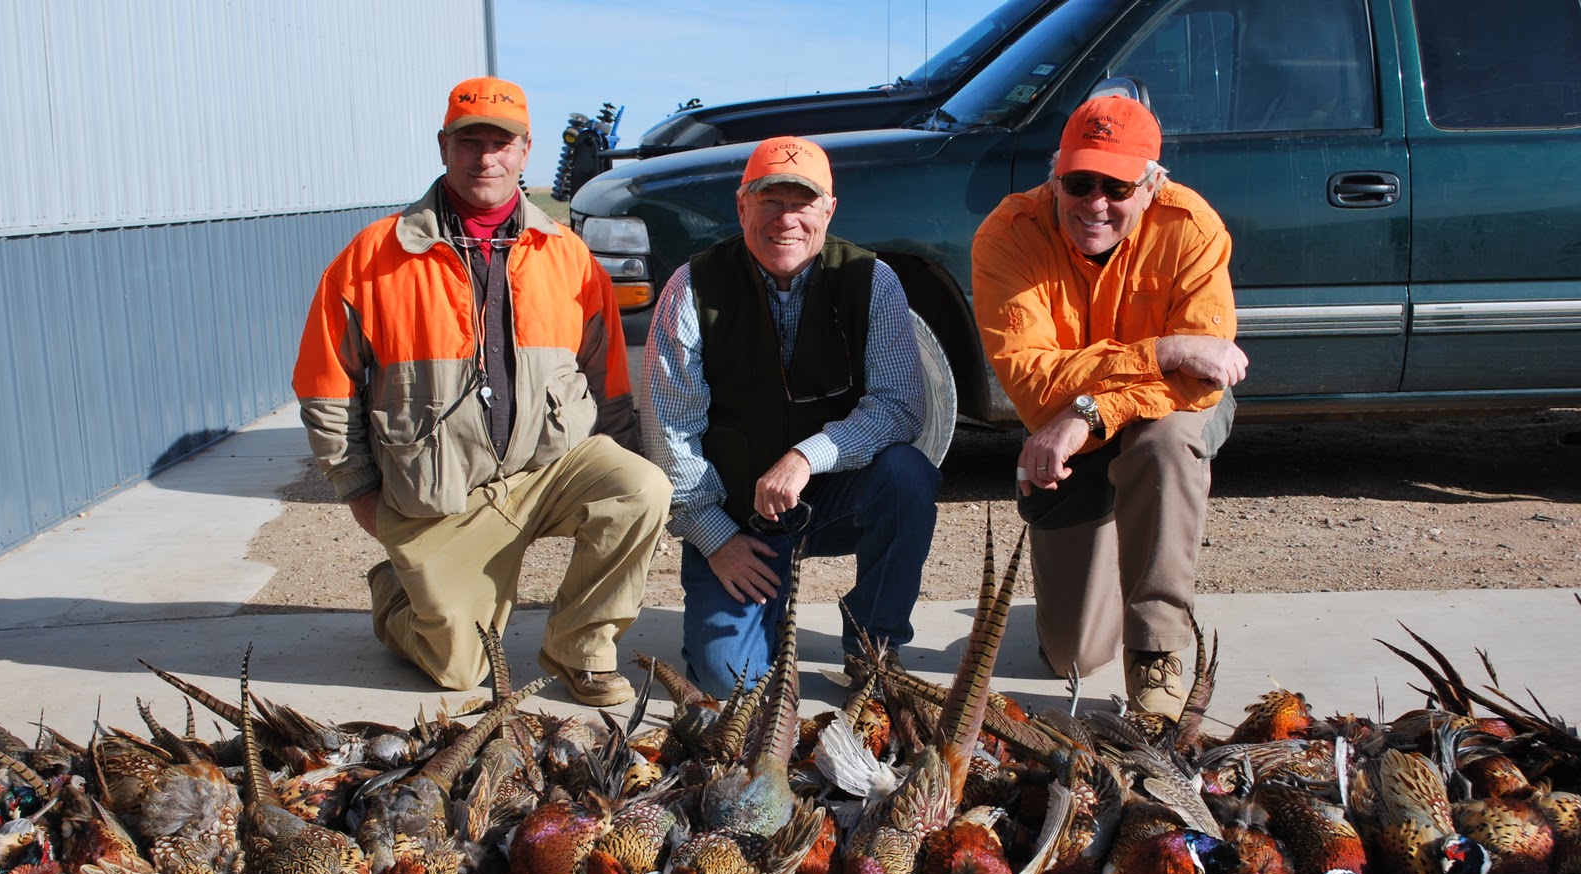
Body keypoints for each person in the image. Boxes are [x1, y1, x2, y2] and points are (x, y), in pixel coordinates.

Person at [292, 76, 671, 705]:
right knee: (460, 672)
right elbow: (327, 388)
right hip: (440, 491)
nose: (485, 157)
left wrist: (623, 456)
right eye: (470, 142)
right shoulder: (372, 258)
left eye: (502, 142)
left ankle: (581, 650)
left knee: (641, 487)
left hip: (549, 469)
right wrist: (359, 489)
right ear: (444, 147)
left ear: (525, 151)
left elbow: (607, 385)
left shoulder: (568, 256)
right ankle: (399, 592)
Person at [970, 94, 1249, 734]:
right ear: (1054, 177)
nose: (1095, 202)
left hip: (1155, 416)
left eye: (1118, 186)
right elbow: (1034, 384)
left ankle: (1156, 649)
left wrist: (1091, 411)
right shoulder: (1006, 236)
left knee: (1165, 443)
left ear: (1153, 184)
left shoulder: (1193, 229)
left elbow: (1205, 384)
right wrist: (1165, 349)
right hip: (1068, 431)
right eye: (1079, 182)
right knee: (1070, 655)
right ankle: (1097, 585)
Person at [639, 136, 940, 697]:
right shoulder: (691, 287)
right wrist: (715, 537)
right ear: (742, 205)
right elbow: (669, 430)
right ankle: (752, 621)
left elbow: (900, 407)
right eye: (770, 200)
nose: (787, 219)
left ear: (828, 209)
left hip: (829, 500)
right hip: (735, 518)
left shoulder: (872, 280)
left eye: (803, 203)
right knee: (734, 684)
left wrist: (808, 456)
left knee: (908, 476)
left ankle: (873, 646)